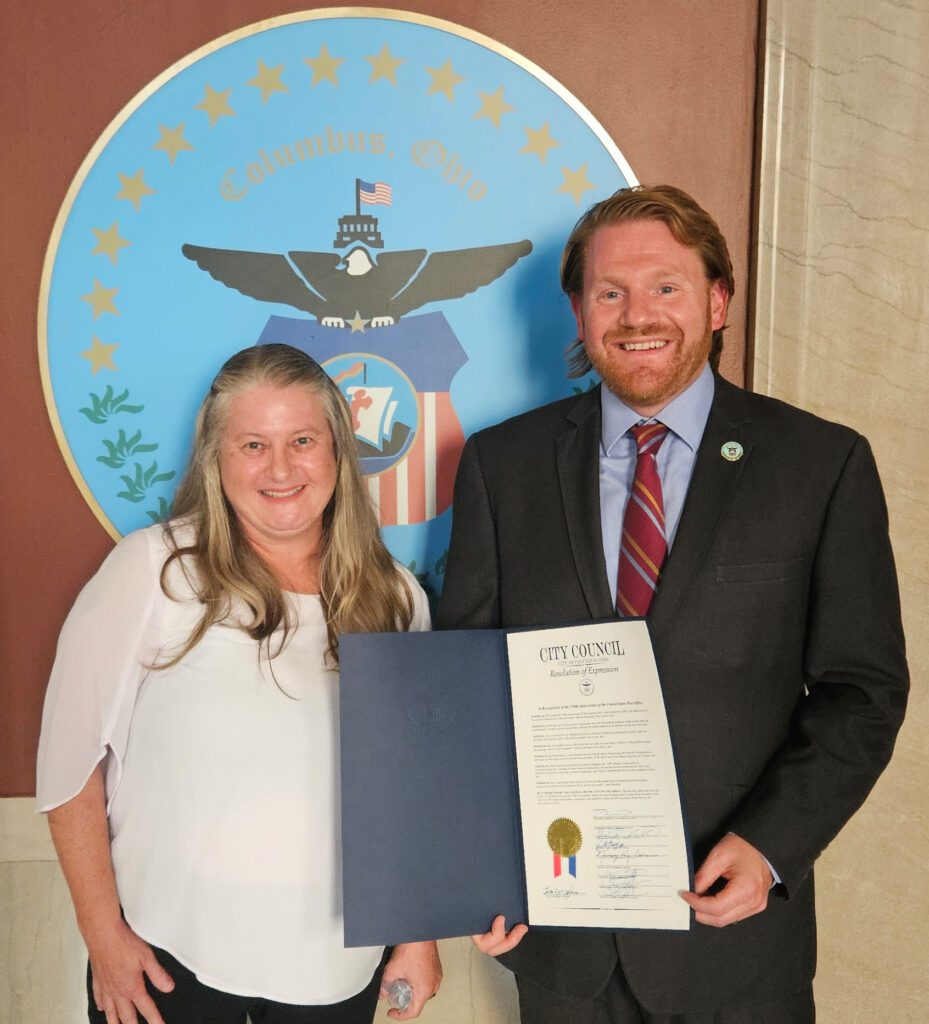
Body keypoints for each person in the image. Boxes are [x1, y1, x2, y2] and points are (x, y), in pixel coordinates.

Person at [436, 185, 908, 1023]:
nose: (635, 314)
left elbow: (861, 692)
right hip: (561, 940)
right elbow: (464, 686)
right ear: (578, 311)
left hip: (735, 938)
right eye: (609, 291)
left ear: (717, 300)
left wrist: (771, 848)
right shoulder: (501, 467)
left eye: (665, 286)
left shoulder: (819, 465)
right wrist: (479, 872)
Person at [37, 343, 442, 1024]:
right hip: (164, 967)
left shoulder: (395, 597)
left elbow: (409, 793)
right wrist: (103, 938)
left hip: (336, 969)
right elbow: (68, 768)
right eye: (252, 444)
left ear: (339, 454)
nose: (280, 468)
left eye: (303, 440)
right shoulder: (153, 571)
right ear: (215, 459)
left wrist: (417, 939)